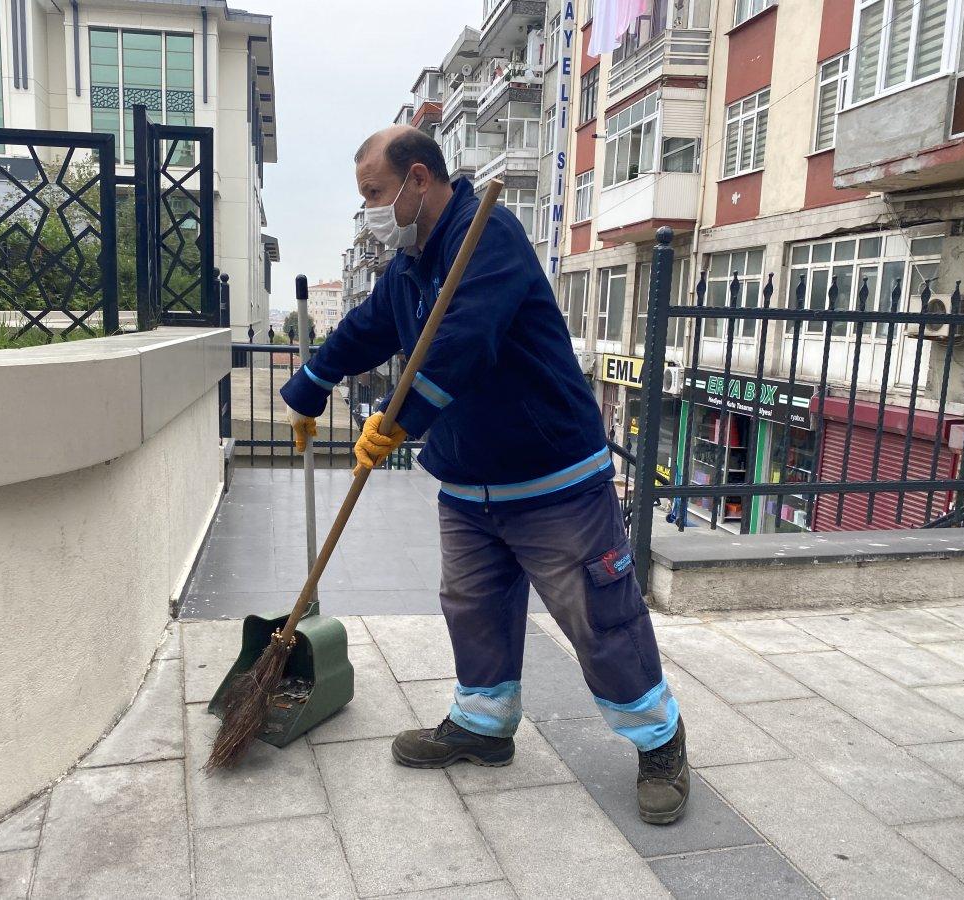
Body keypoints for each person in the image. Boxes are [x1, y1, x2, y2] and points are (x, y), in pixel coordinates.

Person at [280, 125, 689, 825]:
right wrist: (310, 384)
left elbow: (459, 345)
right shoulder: (412, 262)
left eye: (375, 193)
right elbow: (371, 325)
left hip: (551, 476)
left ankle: (659, 741)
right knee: (473, 609)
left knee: (600, 618)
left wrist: (395, 420)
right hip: (470, 483)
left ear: (416, 179)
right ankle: (483, 725)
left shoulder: (486, 237)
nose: (371, 210)